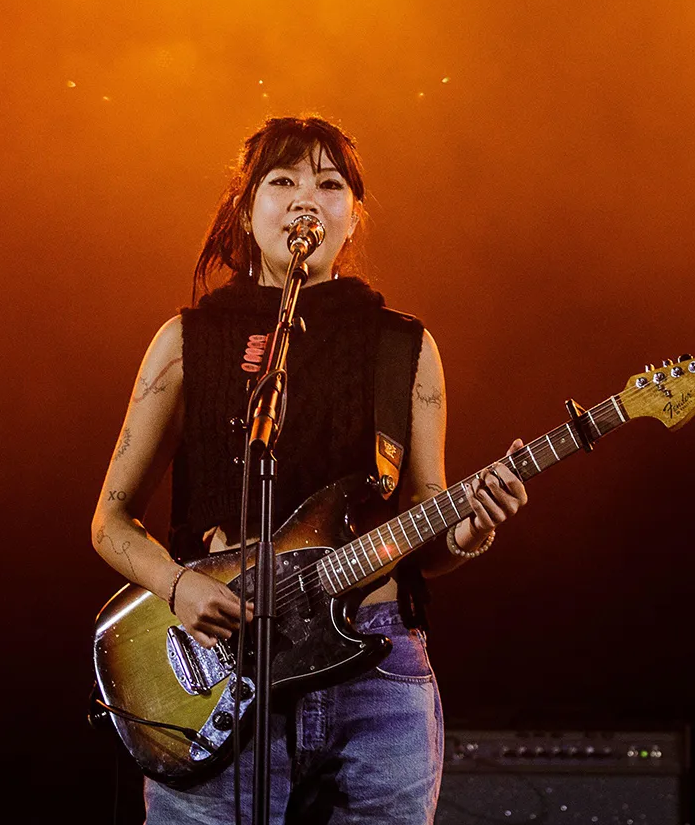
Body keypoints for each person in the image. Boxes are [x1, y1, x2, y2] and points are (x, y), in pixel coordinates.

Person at [90, 115, 529, 824]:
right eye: (283, 180)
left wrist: (469, 532)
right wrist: (177, 587)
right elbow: (109, 521)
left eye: (330, 185)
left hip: (378, 671)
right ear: (246, 208)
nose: (306, 200)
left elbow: (427, 528)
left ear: (351, 219)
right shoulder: (185, 343)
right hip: (223, 666)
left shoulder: (404, 349)